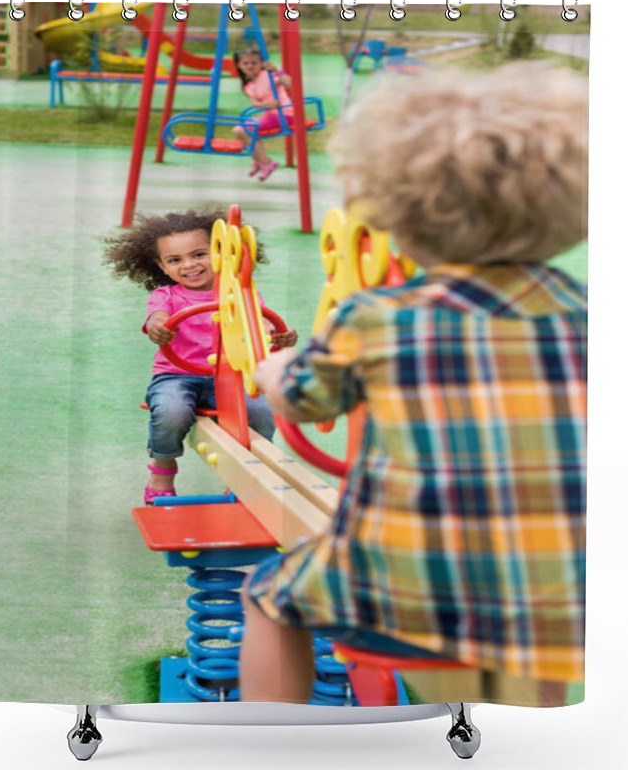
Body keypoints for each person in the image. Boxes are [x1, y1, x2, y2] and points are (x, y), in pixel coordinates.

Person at [239, 67, 589, 706]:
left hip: (406, 589)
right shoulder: (588, 317)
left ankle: (272, 738)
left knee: (267, 596)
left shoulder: (377, 317)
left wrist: (271, 372)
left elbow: (304, 399)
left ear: (394, 205)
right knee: (532, 639)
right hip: (571, 599)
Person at [102, 208, 298, 504]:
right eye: (175, 260)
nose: (189, 265)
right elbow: (157, 317)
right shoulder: (166, 296)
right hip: (177, 375)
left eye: (198, 254)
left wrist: (280, 335)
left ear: (220, 253)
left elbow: (264, 324)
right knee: (171, 410)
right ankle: (162, 470)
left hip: (231, 376)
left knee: (259, 410)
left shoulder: (241, 292)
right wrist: (158, 327)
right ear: (162, 266)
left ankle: (249, 472)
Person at [232, 49, 294, 182]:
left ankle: (266, 163)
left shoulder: (267, 75)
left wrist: (277, 70)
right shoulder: (248, 85)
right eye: (246, 63)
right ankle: (258, 160)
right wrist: (268, 104)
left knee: (242, 130)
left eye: (254, 63)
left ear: (261, 64)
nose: (250, 66)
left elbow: (292, 84)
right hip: (272, 115)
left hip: (285, 115)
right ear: (239, 66)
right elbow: (254, 104)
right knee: (241, 130)